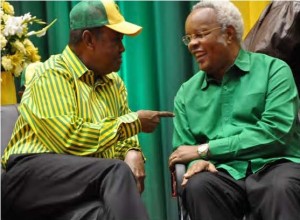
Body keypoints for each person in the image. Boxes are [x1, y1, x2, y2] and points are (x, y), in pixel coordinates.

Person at [1, 0, 174, 220]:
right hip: (28, 178)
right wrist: (135, 123)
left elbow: (123, 137)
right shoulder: (52, 74)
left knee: (103, 213)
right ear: (88, 40)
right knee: (116, 171)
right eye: (116, 40)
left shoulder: (114, 83)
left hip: (83, 179)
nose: (122, 48)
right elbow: (69, 139)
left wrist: (133, 151)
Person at [168, 1, 300, 220]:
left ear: (228, 34)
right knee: (199, 186)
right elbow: (184, 149)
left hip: (275, 163)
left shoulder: (274, 71)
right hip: (222, 172)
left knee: (281, 187)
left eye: (200, 35)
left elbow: (276, 132)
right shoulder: (186, 93)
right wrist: (195, 162)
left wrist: (206, 150)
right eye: (189, 38)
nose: (192, 44)